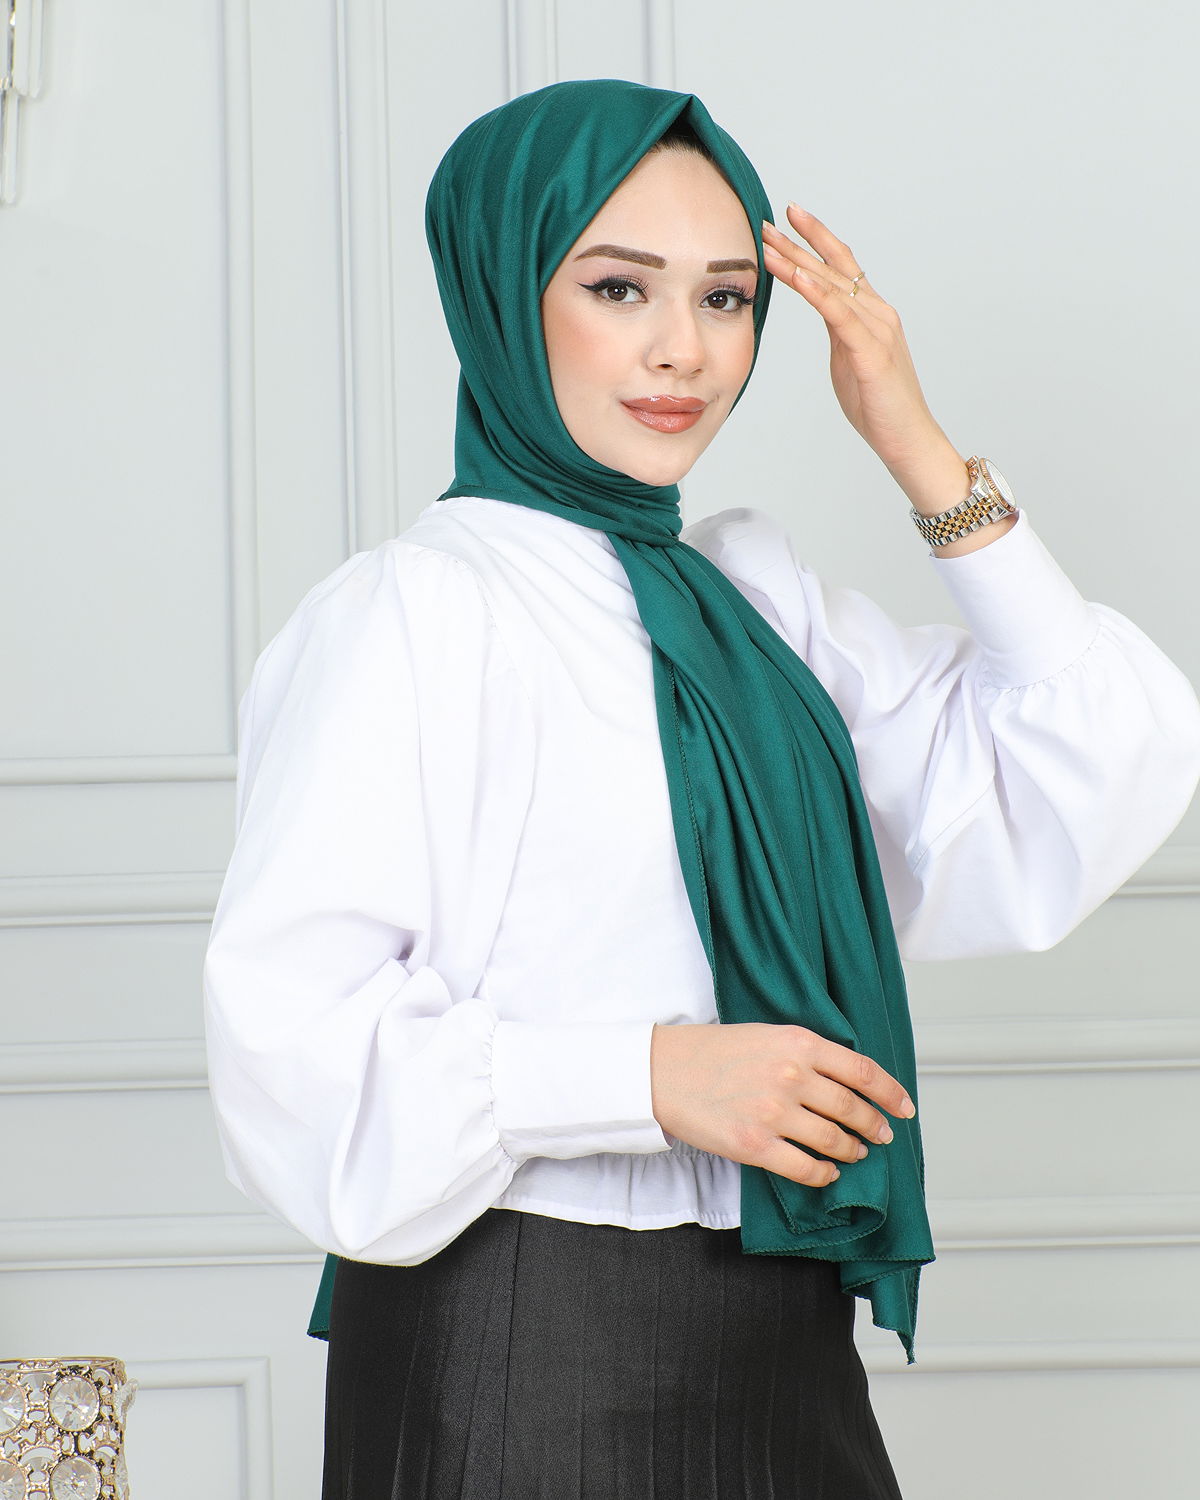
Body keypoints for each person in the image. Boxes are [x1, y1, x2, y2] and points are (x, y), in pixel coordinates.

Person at [202, 79, 1200, 1499]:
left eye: (728, 298)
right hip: (517, 1335)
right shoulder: (410, 616)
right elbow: (292, 1049)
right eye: (620, 288)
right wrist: (652, 1075)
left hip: (776, 1323)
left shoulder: (753, 603)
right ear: (501, 294)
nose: (685, 349)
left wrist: (914, 442)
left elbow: (1082, 766)